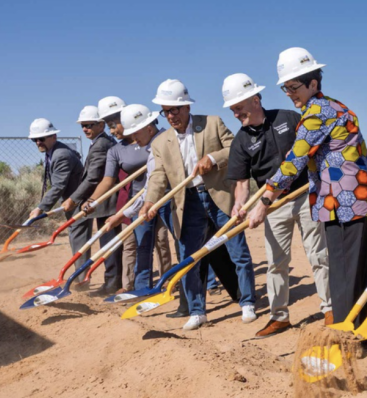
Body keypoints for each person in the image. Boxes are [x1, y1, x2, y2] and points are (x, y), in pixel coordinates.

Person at [246, 48, 367, 349]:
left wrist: (265, 200)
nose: (289, 94)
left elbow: (294, 162)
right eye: (286, 88)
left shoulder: (317, 113)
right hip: (365, 198)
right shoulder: (335, 106)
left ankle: (346, 342)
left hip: (345, 204)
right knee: (366, 269)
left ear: (313, 83)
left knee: (344, 275)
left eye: (293, 87)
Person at [222, 72, 332, 338]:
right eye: (233, 110)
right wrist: (239, 206)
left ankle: (331, 310)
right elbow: (241, 182)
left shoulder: (288, 118)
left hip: (306, 196)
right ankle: (279, 316)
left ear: (254, 100)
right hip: (272, 205)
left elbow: (310, 151)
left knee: (319, 255)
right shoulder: (241, 141)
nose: (236, 114)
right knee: (276, 263)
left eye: (239, 108)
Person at [144, 79, 249, 331]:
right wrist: (150, 201)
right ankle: (197, 311)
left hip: (218, 196)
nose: (171, 116)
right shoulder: (160, 142)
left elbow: (235, 148)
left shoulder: (211, 123)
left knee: (237, 249)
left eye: (175, 110)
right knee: (190, 257)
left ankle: (247, 302)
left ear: (187, 107)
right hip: (187, 202)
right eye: (166, 111)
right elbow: (158, 175)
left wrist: (212, 158)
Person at [90, 104, 172, 296]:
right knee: (141, 243)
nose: (112, 130)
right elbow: (109, 180)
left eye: (114, 124)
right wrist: (94, 201)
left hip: (167, 197)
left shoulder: (161, 140)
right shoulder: (117, 150)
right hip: (140, 199)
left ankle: (169, 281)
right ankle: (141, 288)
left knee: (163, 241)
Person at [67, 105, 121, 296]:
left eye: (89, 124)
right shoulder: (99, 142)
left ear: (101, 125)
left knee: (109, 244)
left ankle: (112, 284)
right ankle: (112, 281)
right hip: (103, 202)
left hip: (106, 202)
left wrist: (75, 199)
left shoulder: (101, 144)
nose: (85, 129)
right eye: (82, 125)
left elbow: (93, 177)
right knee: (107, 243)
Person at [26, 118, 87, 272]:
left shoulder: (61, 155)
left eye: (41, 138)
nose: (38, 142)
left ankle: (82, 279)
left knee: (78, 240)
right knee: (75, 238)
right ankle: (80, 276)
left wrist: (40, 208)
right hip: (71, 202)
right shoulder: (52, 152)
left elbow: (59, 185)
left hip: (78, 202)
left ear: (54, 136)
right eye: (35, 139)